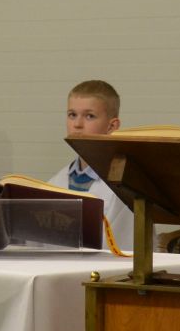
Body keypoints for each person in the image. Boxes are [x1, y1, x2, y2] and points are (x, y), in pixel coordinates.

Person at [47, 80, 135, 250]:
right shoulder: (55, 182)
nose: (77, 124)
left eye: (89, 116)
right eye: (72, 115)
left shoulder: (127, 188)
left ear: (112, 126)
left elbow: (125, 247)